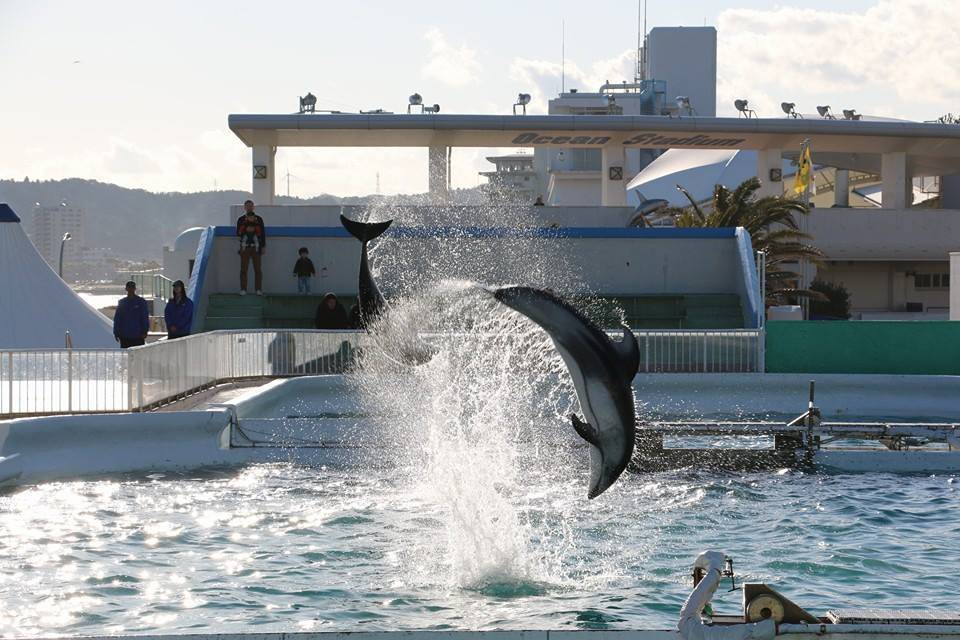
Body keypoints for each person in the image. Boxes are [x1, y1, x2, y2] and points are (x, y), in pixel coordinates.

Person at [236, 199, 266, 295]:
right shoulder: (241, 220)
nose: (249, 207)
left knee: (258, 269)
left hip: (256, 248)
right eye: (247, 206)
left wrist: (263, 246)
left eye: (251, 206)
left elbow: (263, 234)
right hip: (245, 247)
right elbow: (238, 233)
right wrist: (245, 230)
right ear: (244, 207)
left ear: (253, 207)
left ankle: (258, 289)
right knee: (243, 269)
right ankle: (243, 289)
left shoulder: (259, 219)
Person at [113, 280, 149, 348]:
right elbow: (117, 318)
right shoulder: (122, 302)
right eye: (129, 287)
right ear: (126, 289)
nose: (131, 289)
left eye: (132, 287)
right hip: (124, 335)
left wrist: (145, 331)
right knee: (127, 356)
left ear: (135, 289)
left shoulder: (141, 302)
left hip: (138, 335)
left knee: (138, 356)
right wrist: (116, 332)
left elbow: (145, 317)